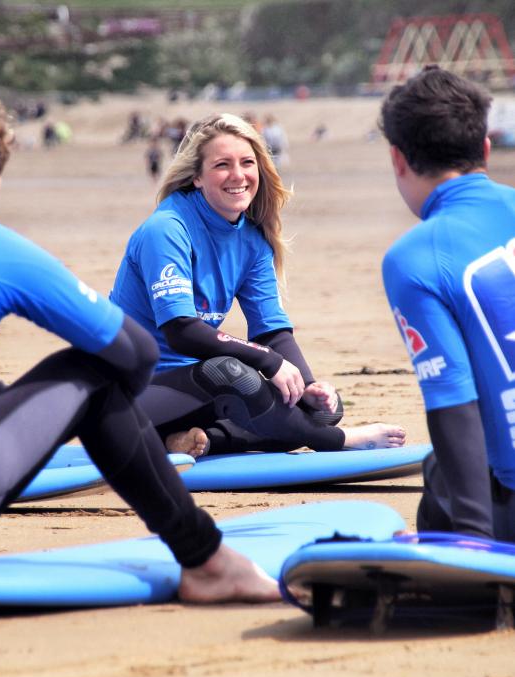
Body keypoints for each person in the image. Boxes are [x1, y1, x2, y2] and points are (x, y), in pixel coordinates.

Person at [0, 83, 280, 604]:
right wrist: (65, 417)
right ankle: (208, 561)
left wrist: (1, 401)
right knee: (95, 375)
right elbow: (135, 353)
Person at [110, 113, 405, 459]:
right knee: (232, 373)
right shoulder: (167, 230)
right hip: (124, 395)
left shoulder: (251, 239)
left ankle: (195, 441)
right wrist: (269, 362)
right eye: (222, 165)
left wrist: (309, 385)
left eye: (247, 163)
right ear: (197, 177)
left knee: (322, 409)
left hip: (189, 395)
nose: (238, 175)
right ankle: (340, 440)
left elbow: (271, 330)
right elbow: (181, 331)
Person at [381, 65, 515, 542]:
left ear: (398, 159)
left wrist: (473, 548)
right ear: (484, 147)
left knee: (439, 472)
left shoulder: (415, 257)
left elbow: (452, 402)